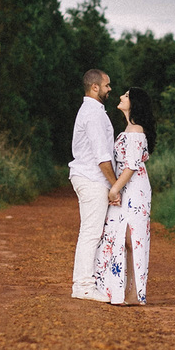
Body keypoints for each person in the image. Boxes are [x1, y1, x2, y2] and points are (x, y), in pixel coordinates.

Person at [93, 87, 157, 305]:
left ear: (135, 103)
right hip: (126, 186)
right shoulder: (130, 129)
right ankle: (119, 291)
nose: (121, 97)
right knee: (118, 236)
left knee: (131, 239)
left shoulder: (136, 130)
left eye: (127, 95)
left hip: (133, 188)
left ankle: (133, 293)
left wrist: (114, 189)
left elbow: (131, 165)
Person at [68, 68, 118, 301]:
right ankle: (83, 286)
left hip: (87, 177)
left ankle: (89, 283)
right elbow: (102, 157)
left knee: (91, 231)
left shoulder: (92, 111)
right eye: (107, 85)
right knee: (90, 232)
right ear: (95, 87)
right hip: (91, 178)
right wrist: (115, 185)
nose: (110, 89)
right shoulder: (94, 113)